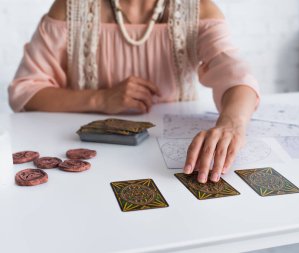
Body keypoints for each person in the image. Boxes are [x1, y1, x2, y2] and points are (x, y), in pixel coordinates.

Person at [8, 0, 260, 183]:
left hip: (166, 163)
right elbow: (25, 91)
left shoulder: (199, 10)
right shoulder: (70, 9)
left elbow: (236, 73)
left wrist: (232, 123)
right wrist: (101, 98)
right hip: (91, 165)